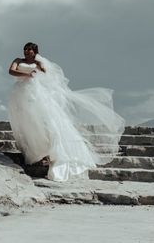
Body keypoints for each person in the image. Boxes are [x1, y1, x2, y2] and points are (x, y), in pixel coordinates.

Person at [8, 42, 125, 181]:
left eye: (29, 49)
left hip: (35, 93)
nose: (26, 51)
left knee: (40, 121)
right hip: (20, 93)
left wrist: (39, 67)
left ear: (34, 51)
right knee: (26, 121)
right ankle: (34, 150)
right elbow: (11, 71)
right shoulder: (17, 60)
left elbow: (47, 74)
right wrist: (28, 74)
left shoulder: (39, 62)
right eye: (25, 49)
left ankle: (48, 151)